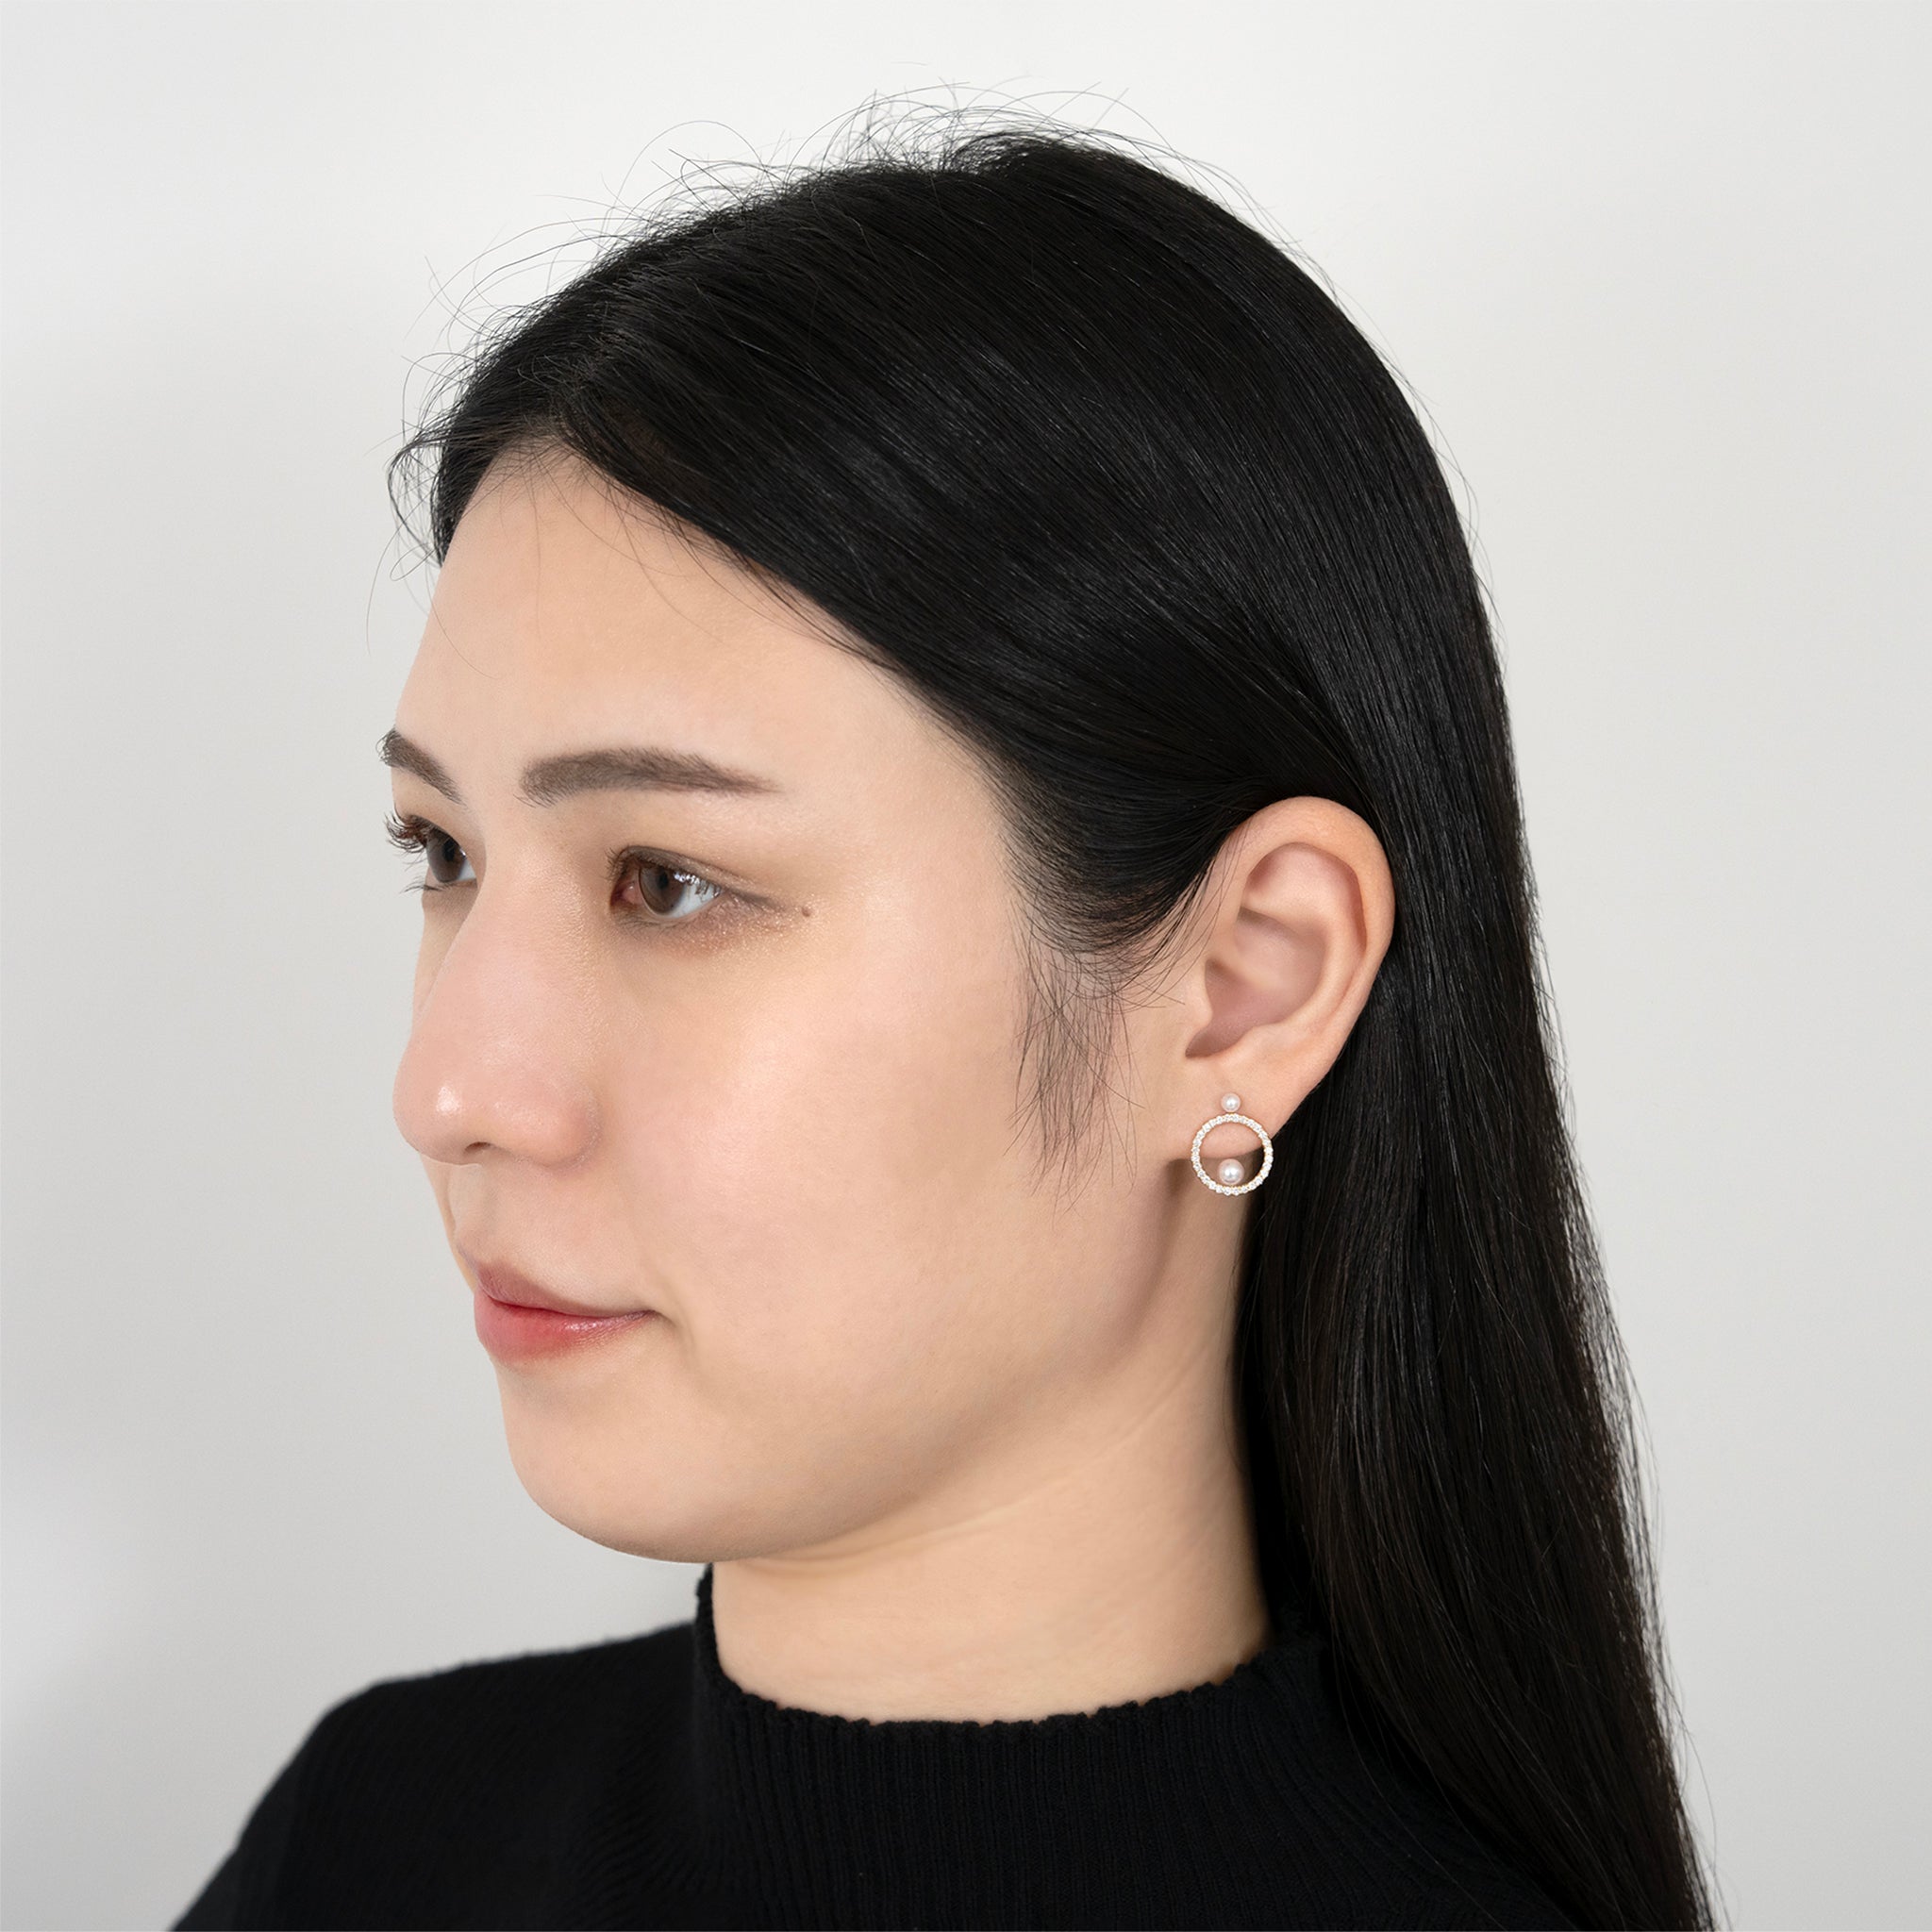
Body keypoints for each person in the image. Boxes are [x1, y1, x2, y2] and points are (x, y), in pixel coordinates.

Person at [175, 115, 1713, 1931]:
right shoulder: (368, 1846)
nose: (448, 1090)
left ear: (1248, 986)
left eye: (671, 881)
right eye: (442, 851)